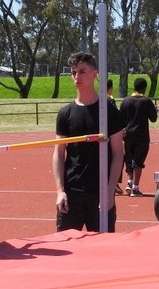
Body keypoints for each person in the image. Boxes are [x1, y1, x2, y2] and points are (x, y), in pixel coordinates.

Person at [52, 51, 124, 233]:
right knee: (65, 251)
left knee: (103, 254)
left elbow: (118, 153)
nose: (77, 76)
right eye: (73, 72)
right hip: (71, 195)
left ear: (94, 74)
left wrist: (109, 192)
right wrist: (60, 190)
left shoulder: (108, 111)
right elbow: (59, 154)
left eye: (82, 71)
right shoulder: (65, 114)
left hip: (100, 195)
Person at [119, 77, 159, 197]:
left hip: (127, 135)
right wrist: (155, 111)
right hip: (141, 135)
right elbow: (153, 119)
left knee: (129, 159)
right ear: (144, 88)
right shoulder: (146, 101)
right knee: (138, 161)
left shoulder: (125, 101)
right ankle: (135, 188)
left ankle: (129, 182)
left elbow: (120, 119)